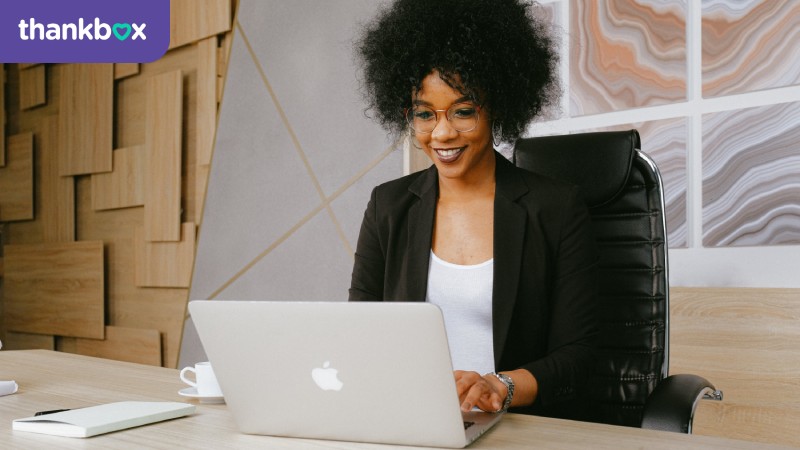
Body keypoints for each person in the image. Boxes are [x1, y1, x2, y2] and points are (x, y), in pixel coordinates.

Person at [349, 0, 598, 419]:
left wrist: (501, 384)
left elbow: (580, 355)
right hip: (413, 420)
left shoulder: (555, 208)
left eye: (464, 111)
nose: (442, 133)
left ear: (497, 106)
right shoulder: (388, 206)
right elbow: (362, 331)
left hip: (518, 426)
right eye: (425, 114)